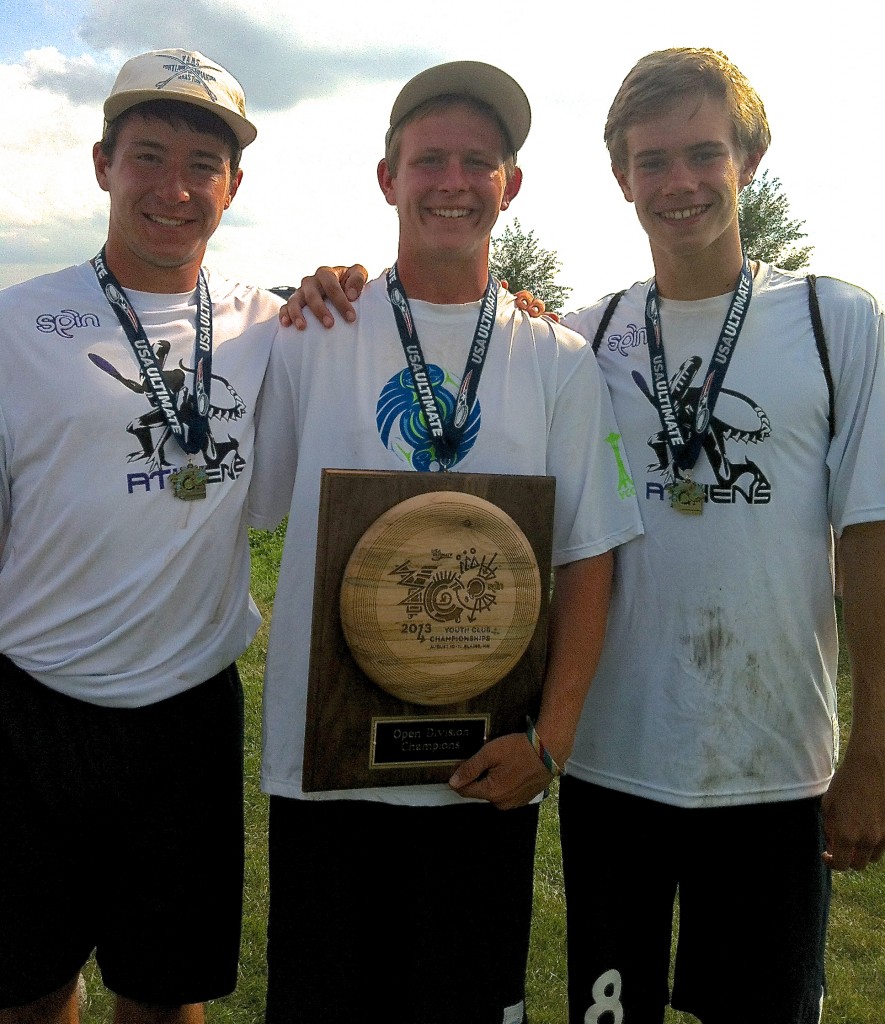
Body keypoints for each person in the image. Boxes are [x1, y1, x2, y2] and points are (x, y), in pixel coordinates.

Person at [287, 46, 885, 1024]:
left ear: (751, 159)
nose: (680, 182)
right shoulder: (579, 335)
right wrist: (345, 284)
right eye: (652, 161)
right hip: (614, 770)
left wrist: (875, 753)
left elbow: (870, 539)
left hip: (776, 767)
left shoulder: (836, 321)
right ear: (621, 178)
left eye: (704, 153)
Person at [248, 60, 643, 1024]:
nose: (453, 182)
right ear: (388, 179)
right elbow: (236, 505)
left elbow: (589, 558)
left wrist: (547, 746)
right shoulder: (308, 332)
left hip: (482, 774)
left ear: (510, 185)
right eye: (429, 161)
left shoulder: (556, 358)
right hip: (326, 770)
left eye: (478, 161)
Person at [0, 48, 285, 1024]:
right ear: (102, 164)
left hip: (186, 713)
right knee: (30, 987)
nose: (174, 186)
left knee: (165, 994)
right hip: (33, 705)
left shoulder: (275, 329)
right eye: (149, 155)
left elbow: (413, 331)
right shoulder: (15, 325)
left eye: (202, 164)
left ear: (233, 184)